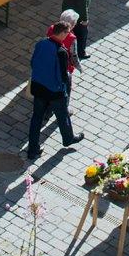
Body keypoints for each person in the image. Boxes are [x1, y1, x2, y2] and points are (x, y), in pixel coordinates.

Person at [26, 21, 81, 159]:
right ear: (62, 33)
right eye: (67, 32)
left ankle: (32, 150)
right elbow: (63, 76)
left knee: (36, 118)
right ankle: (68, 138)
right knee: (63, 115)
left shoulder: (41, 43)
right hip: (54, 91)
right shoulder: (61, 52)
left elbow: (33, 62)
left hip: (38, 87)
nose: (68, 35)